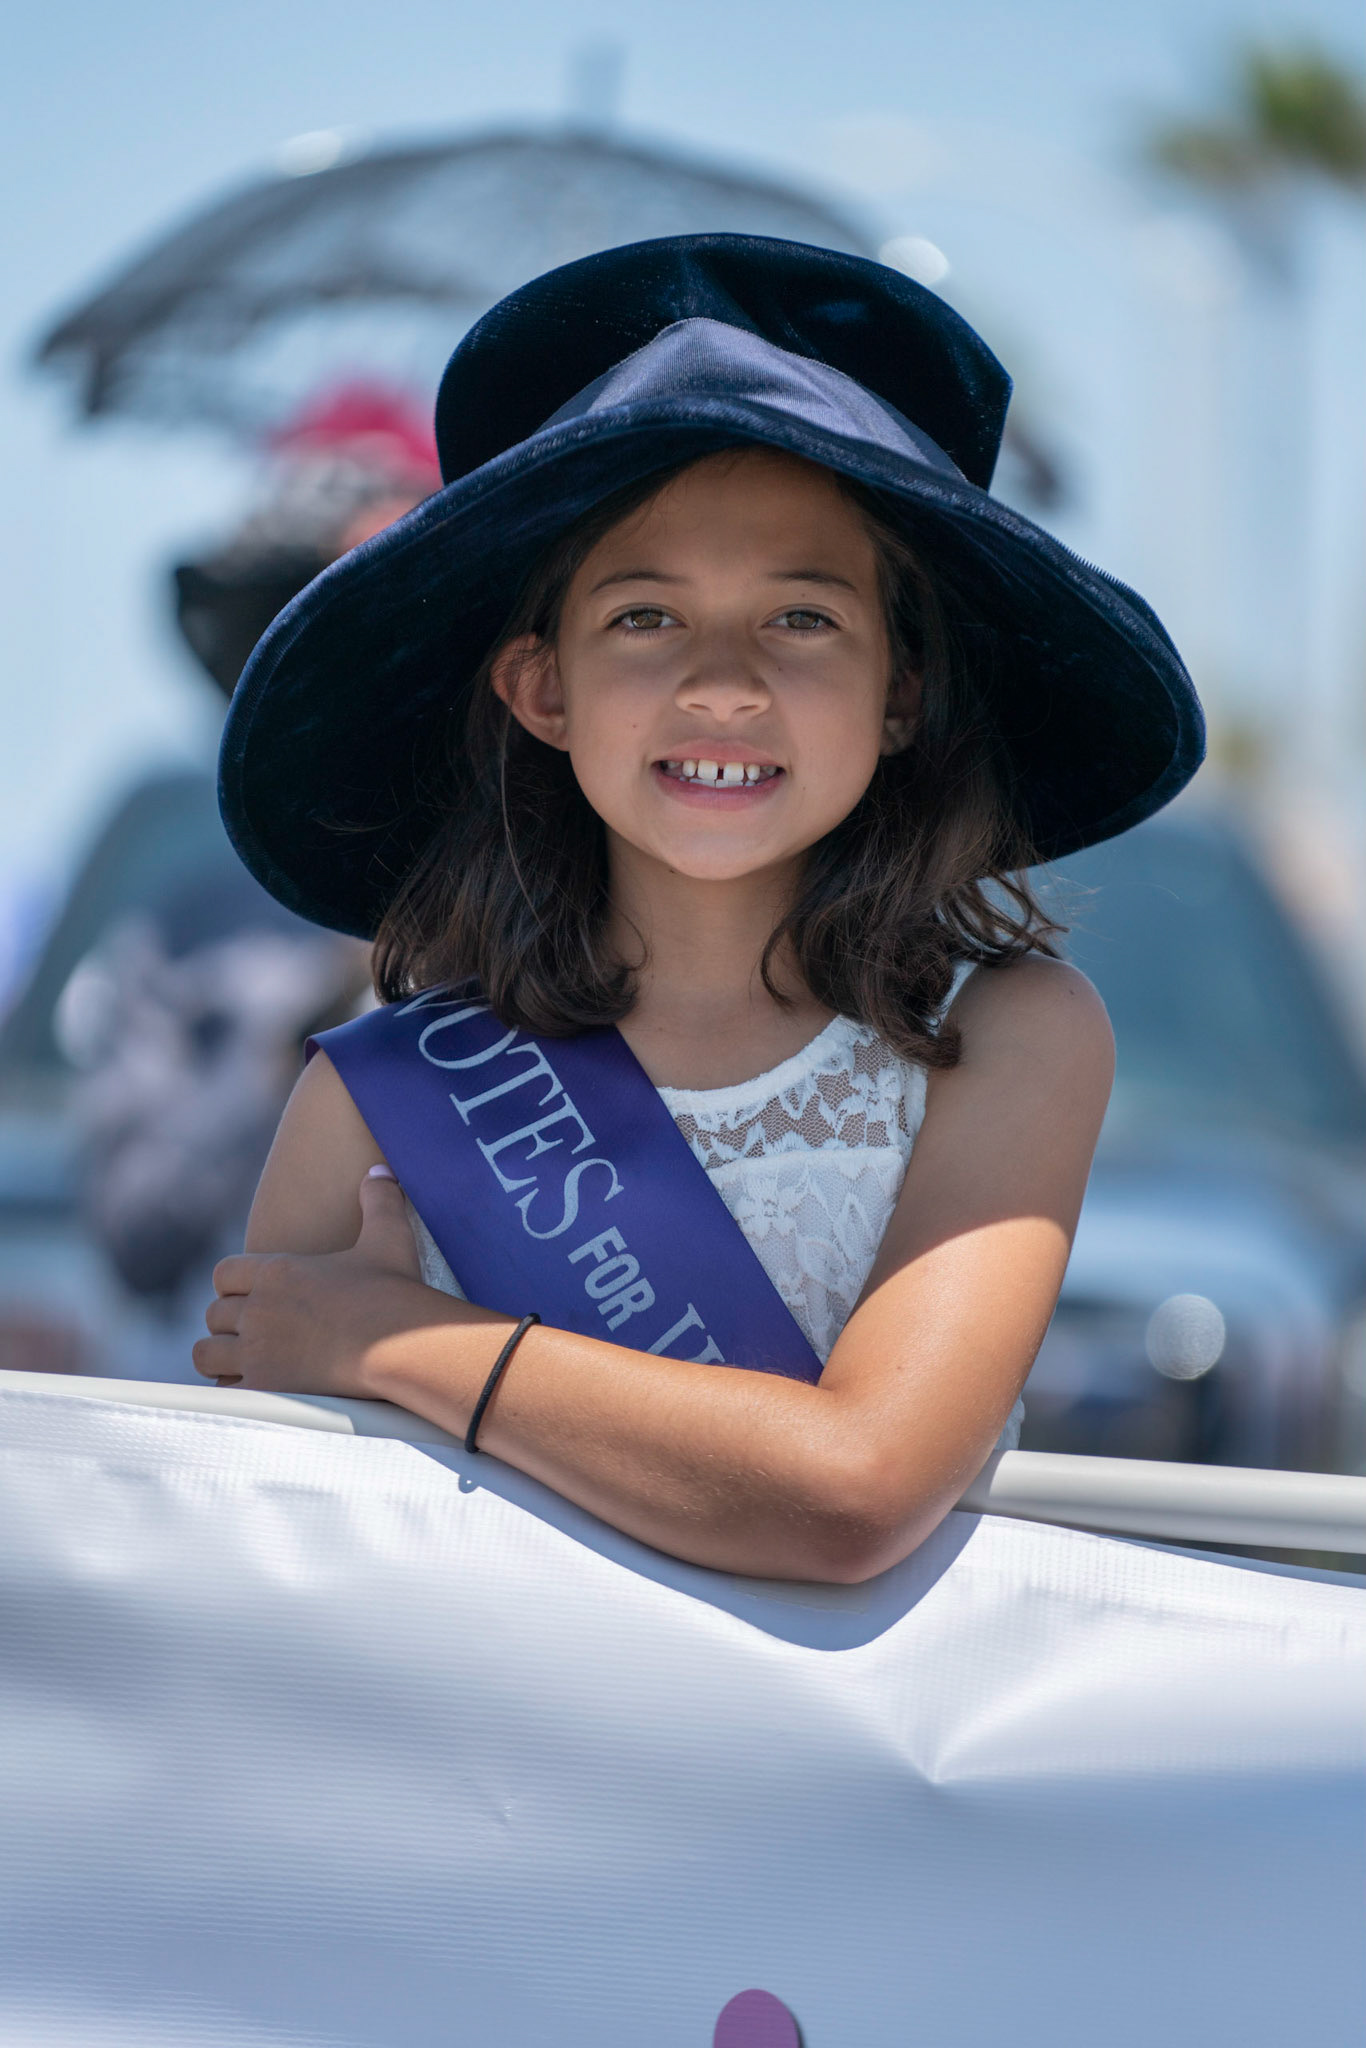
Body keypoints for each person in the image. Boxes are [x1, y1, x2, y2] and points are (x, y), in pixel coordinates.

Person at [195, 236, 1203, 1583]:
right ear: (540, 690)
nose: (722, 685)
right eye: (642, 618)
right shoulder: (383, 1096)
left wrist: (393, 1342)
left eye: (800, 619)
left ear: (900, 692)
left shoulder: (1010, 1039)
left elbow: (854, 1493)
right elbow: (262, 1556)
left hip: (845, 1784)